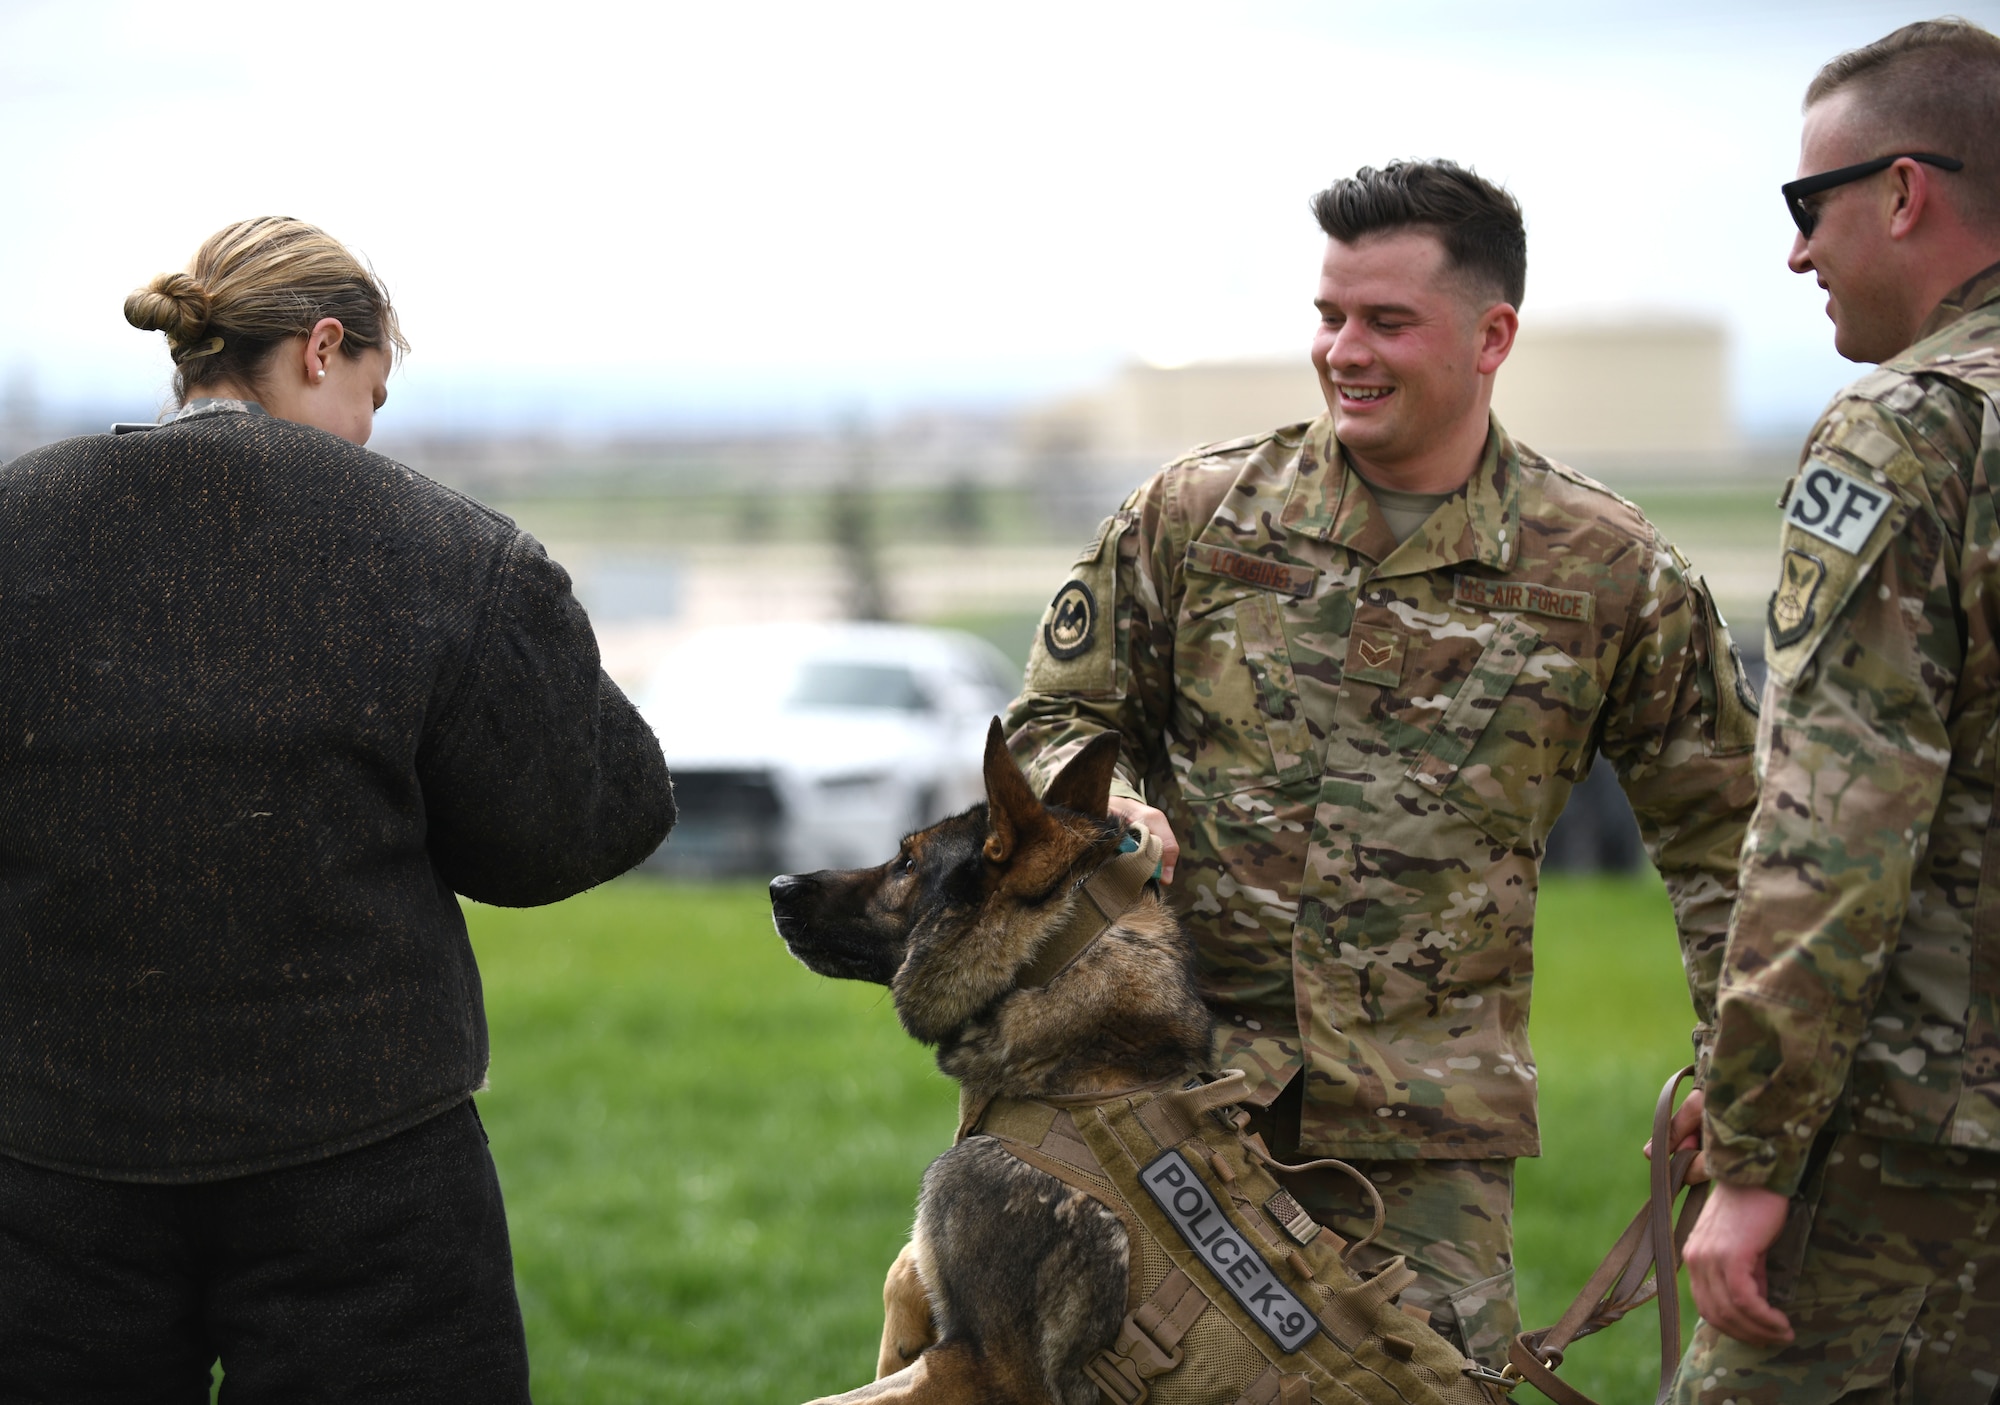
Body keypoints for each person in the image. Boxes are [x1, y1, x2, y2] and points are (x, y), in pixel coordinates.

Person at [1002, 160, 1759, 1368]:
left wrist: (1745, 1089)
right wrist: (1114, 810)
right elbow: (1049, 722)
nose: (1342, 350)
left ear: (1490, 334)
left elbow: (1729, 846)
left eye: (1385, 321)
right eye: (1327, 315)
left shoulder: (1609, 571)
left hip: (1423, 1139)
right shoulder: (1195, 517)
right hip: (1165, 1092)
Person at [0, 217, 676, 1401]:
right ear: (322, 347)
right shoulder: (434, 547)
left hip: (46, 1166)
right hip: (368, 1184)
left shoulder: (18, 527)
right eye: (370, 391)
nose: (369, 433)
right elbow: (587, 819)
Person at [1675, 20, 2000, 1401]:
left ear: (1907, 192)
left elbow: (1836, 829)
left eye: (1809, 207)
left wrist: (1753, 1157)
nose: (1798, 253)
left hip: (1923, 1153)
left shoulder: (1910, 428)